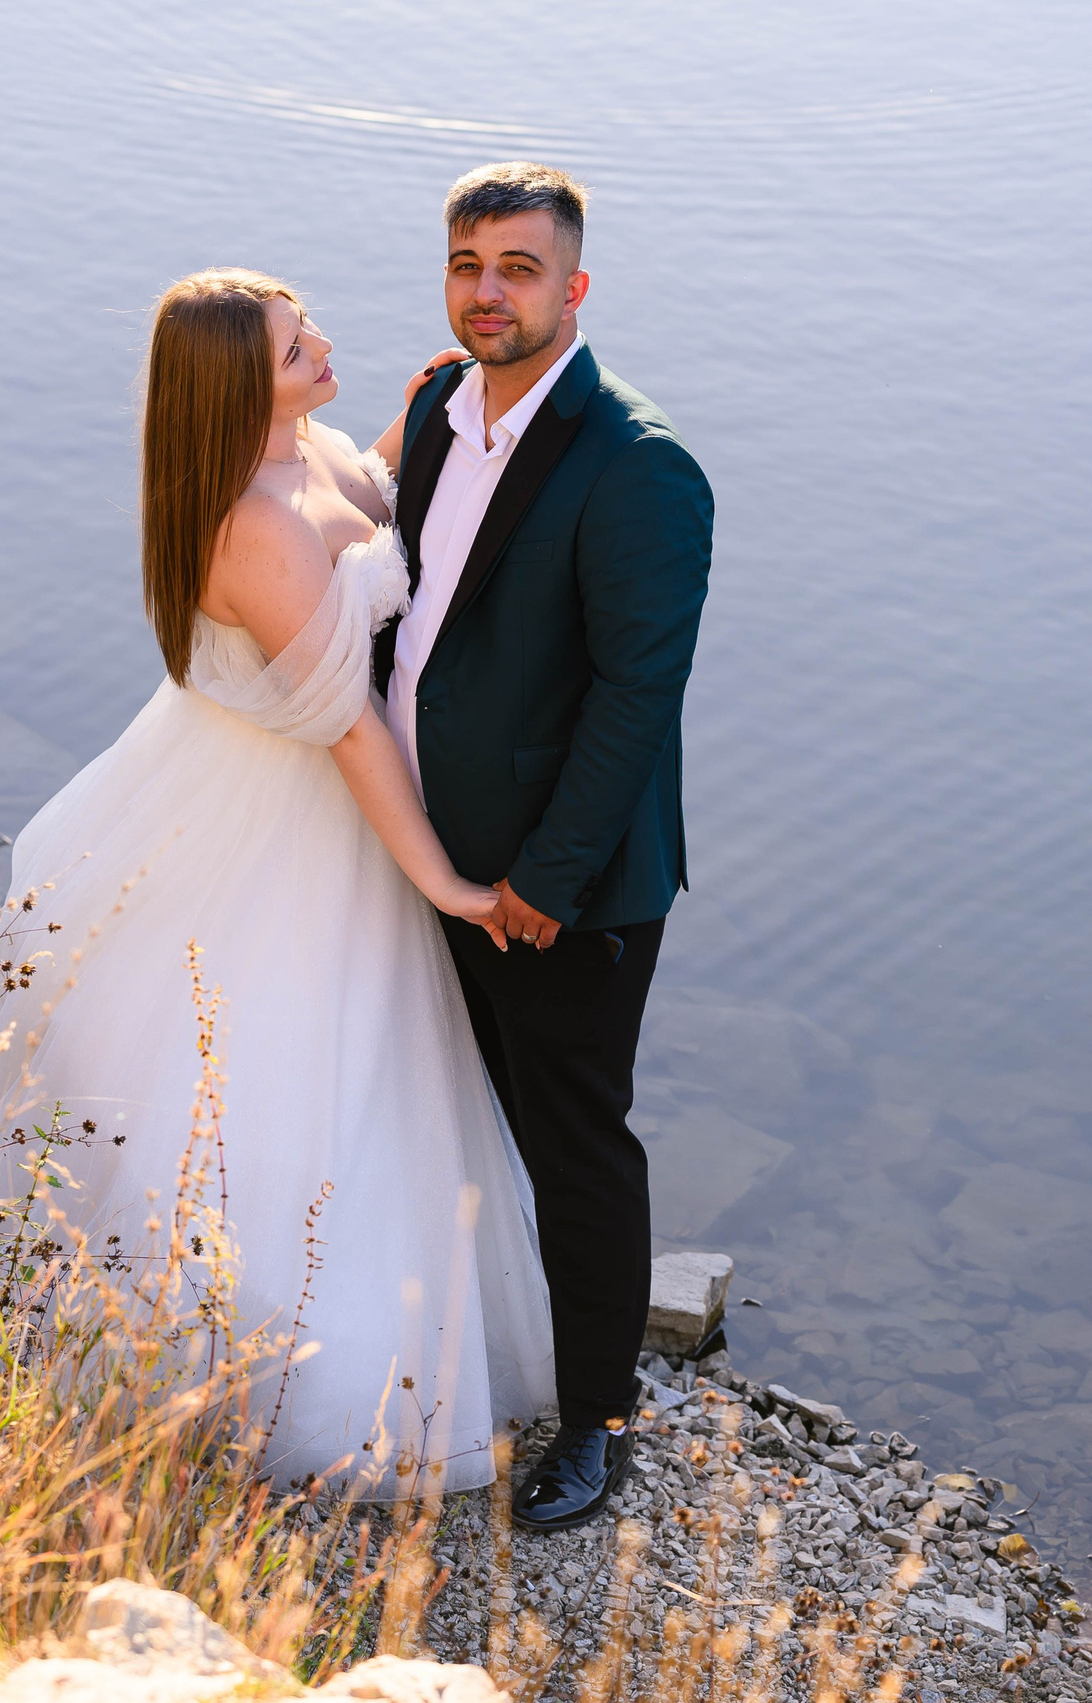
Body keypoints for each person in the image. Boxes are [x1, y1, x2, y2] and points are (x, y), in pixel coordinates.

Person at [0, 267, 551, 1497]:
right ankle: (305, 1386)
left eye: (308, 328)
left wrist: (429, 410)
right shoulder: (249, 527)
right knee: (288, 1068)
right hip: (281, 811)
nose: (321, 346)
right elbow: (346, 727)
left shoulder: (314, 447)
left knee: (370, 1066)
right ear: (240, 387)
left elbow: (376, 496)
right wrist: (443, 881)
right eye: (296, 348)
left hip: (304, 792)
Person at [378, 162, 715, 1531]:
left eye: (518, 267)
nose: (488, 290)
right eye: (468, 262)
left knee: (576, 1140)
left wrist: (542, 885)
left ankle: (600, 1422)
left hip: (557, 885)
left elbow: (641, 694)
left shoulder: (638, 463)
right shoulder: (429, 409)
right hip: (431, 862)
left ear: (573, 288)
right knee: (465, 1108)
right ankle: (493, 1348)